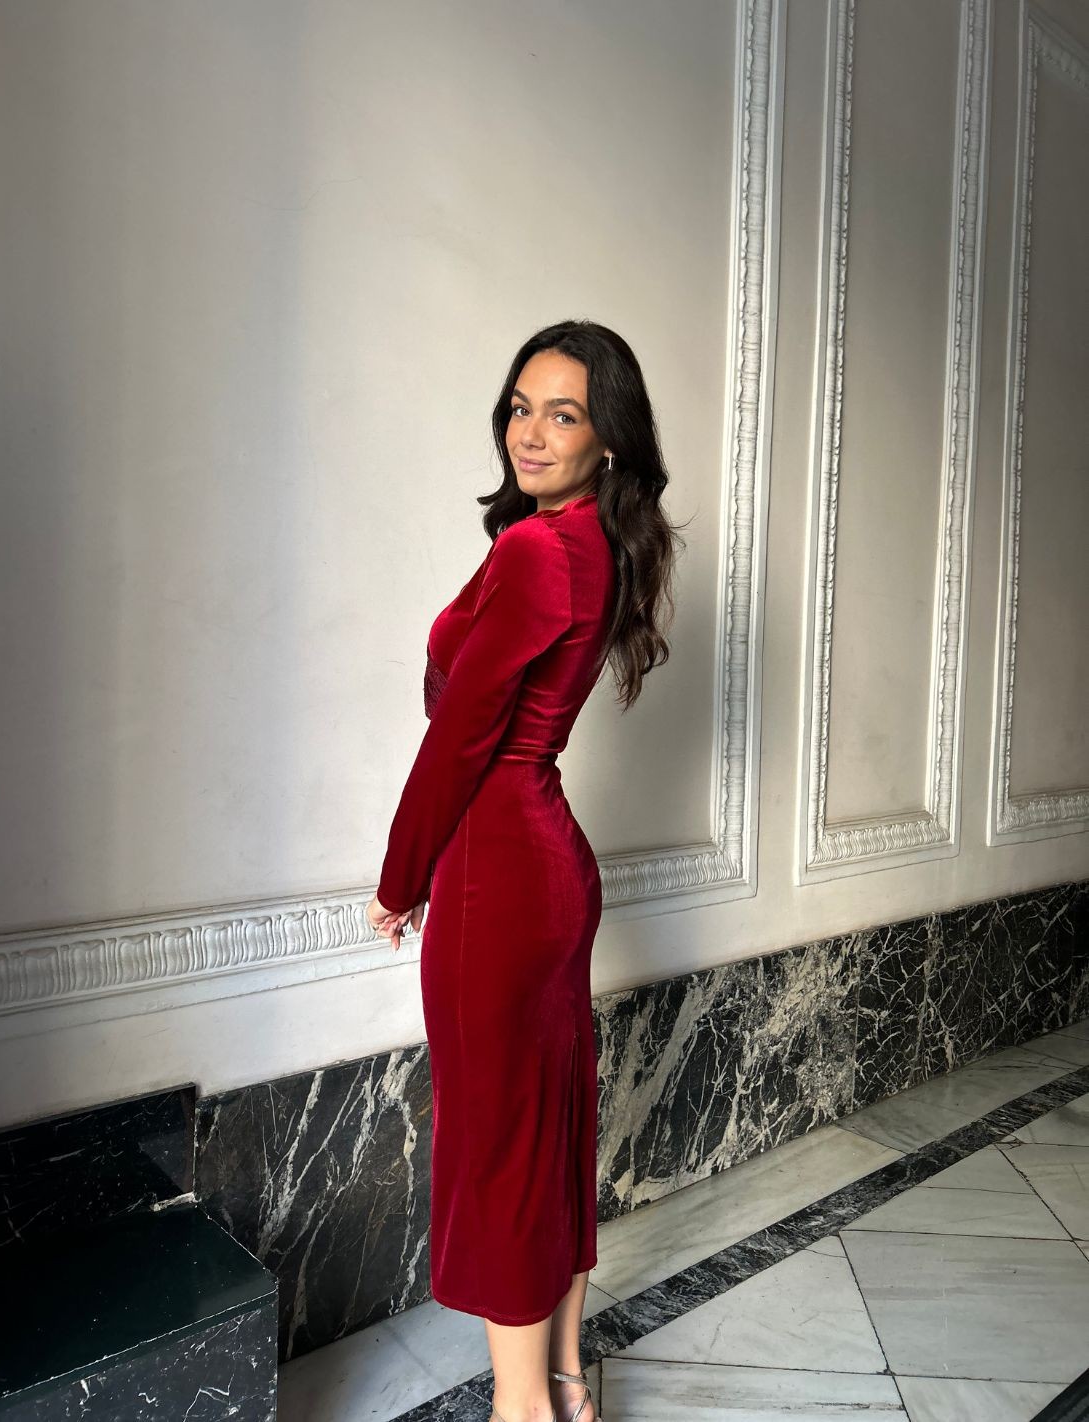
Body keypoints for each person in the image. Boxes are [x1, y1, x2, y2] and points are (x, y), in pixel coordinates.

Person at [367, 319, 682, 1422]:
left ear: (608, 437)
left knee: (503, 1146)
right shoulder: (591, 543)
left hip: (493, 868)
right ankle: (562, 1380)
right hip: (546, 863)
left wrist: (401, 875)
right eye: (519, 407)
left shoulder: (538, 552)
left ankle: (521, 1412)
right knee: (547, 1134)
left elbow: (462, 737)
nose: (530, 432)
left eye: (563, 413)